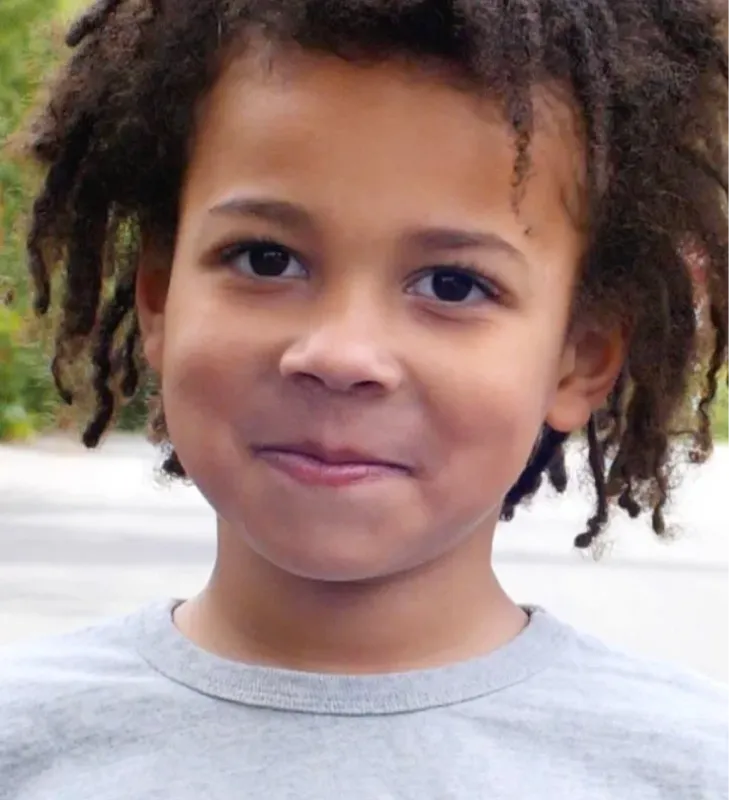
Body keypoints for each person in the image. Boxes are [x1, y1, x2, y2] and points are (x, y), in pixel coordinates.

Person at [2, 0, 729, 796]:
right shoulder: (26, 746)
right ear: (160, 301)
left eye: (452, 284)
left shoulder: (685, 771)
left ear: (578, 359)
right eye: (266, 259)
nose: (339, 354)